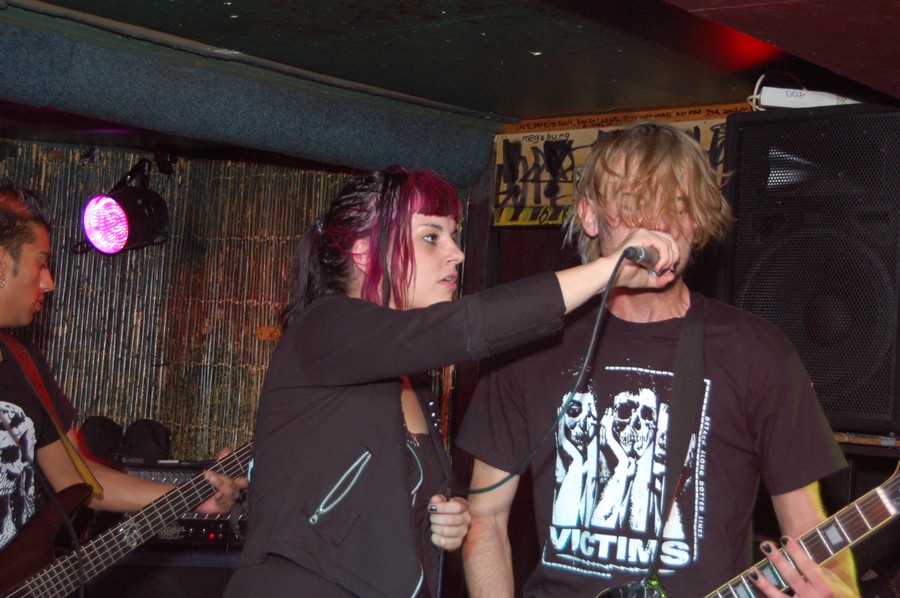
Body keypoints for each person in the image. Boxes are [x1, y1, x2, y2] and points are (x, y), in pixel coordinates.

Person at [224, 166, 680, 598]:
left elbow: (371, 511)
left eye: (454, 236)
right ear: (364, 252)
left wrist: (442, 517)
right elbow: (465, 326)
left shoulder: (408, 376)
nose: (456, 253)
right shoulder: (324, 327)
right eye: (430, 237)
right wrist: (606, 270)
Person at [457, 121, 859, 597]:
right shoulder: (531, 342)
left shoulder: (757, 352)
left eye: (678, 206)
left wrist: (838, 590)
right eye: (634, 203)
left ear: (697, 223)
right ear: (590, 216)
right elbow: (485, 517)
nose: (659, 225)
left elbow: (812, 529)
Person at [0, 179, 247, 558]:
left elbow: (80, 479)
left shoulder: (24, 363)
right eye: (42, 263)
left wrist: (192, 496)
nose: (49, 283)